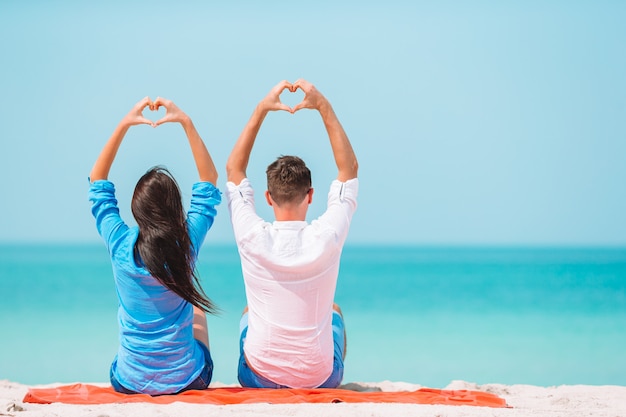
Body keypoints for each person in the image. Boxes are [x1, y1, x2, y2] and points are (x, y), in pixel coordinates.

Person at [225, 79, 359, 389]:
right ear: (310, 195)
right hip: (320, 378)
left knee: (248, 314)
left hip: (257, 377)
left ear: (268, 197)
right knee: (334, 312)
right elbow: (349, 169)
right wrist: (322, 105)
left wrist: (262, 109)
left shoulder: (251, 236)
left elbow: (234, 170)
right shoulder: (327, 236)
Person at [88, 97, 221, 395]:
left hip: (128, 382)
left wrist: (124, 124)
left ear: (137, 209)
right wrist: (185, 121)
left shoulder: (120, 244)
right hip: (187, 381)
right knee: (197, 310)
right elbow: (209, 181)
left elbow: (97, 182)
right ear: (175, 208)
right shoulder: (185, 244)